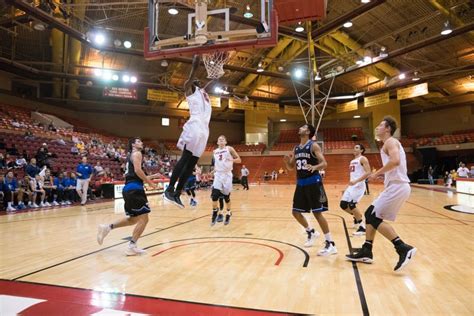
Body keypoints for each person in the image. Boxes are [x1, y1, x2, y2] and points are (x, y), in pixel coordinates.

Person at [346, 116, 417, 271]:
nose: (377, 127)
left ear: (388, 129)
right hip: (396, 186)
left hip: (398, 186)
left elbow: (395, 161)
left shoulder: (391, 141)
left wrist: (377, 173)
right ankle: (367, 250)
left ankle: (403, 248)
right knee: (370, 213)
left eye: (380, 125)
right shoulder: (387, 144)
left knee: (372, 216)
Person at [97, 137, 160, 256]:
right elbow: (137, 171)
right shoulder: (137, 153)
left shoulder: (131, 155)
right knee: (144, 219)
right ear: (133, 145)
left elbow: (134, 175)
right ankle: (132, 246)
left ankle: (107, 227)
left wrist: (151, 177)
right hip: (135, 189)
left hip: (129, 188)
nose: (141, 143)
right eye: (138, 141)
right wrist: (150, 182)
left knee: (133, 219)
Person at [164, 55, 212, 208]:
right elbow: (189, 79)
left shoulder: (204, 93)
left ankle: (177, 193)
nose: (197, 80)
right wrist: (194, 65)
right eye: (195, 79)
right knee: (185, 158)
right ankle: (169, 189)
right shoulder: (189, 89)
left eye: (198, 79)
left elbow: (211, 83)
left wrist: (218, 73)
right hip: (195, 125)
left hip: (205, 129)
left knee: (191, 164)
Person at [283, 124, 337, 256]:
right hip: (301, 183)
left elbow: (324, 163)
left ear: (308, 132)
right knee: (295, 212)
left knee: (317, 213)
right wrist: (286, 161)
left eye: (302, 127)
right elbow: (291, 167)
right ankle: (311, 231)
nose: (299, 128)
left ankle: (331, 244)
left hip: (314, 182)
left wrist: (315, 167)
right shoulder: (296, 148)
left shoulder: (313, 145)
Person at [340, 144, 371, 236]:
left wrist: (356, 181)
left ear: (361, 150)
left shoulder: (363, 159)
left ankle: (362, 227)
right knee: (343, 205)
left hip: (359, 185)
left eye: (357, 147)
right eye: (354, 147)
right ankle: (357, 218)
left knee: (352, 204)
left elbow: (368, 172)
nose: (354, 148)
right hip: (352, 185)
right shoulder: (352, 161)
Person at [210, 135, 241, 226]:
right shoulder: (214, 151)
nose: (221, 140)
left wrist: (231, 159)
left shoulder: (229, 149)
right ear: (217, 142)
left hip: (227, 175)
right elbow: (217, 164)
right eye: (219, 139)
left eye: (223, 139)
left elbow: (239, 160)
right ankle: (215, 211)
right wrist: (213, 171)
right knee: (214, 196)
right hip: (218, 175)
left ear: (225, 142)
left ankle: (228, 212)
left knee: (226, 197)